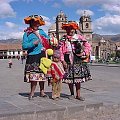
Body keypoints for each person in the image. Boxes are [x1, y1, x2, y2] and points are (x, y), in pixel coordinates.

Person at [60, 22, 92, 101]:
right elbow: (59, 50)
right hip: (67, 59)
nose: (71, 31)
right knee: (69, 78)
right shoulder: (63, 39)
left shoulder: (79, 37)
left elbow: (87, 45)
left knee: (78, 78)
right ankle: (71, 94)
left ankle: (78, 95)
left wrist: (84, 53)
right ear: (66, 30)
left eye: (72, 29)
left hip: (77, 59)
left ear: (74, 29)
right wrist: (62, 60)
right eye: (69, 29)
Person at [22, 15, 50, 100]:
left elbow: (48, 41)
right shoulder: (27, 34)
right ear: (31, 23)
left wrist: (50, 42)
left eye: (38, 23)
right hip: (33, 56)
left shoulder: (42, 32)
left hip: (42, 55)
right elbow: (24, 46)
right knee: (34, 75)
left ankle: (42, 92)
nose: (37, 24)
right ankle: (32, 92)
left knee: (42, 74)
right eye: (35, 23)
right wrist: (34, 43)